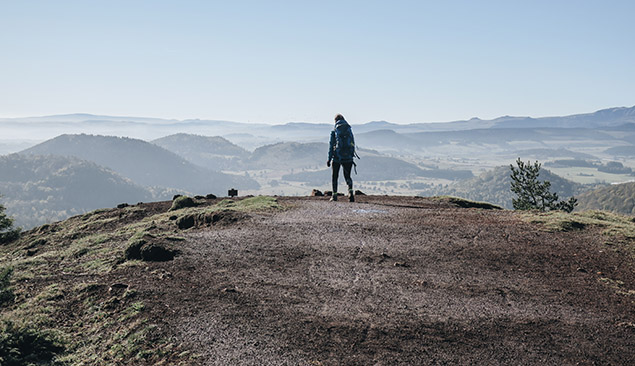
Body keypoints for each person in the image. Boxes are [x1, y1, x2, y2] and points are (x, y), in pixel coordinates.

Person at [327, 114, 356, 202]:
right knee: (347, 176)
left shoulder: (334, 131)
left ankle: (334, 195)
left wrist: (329, 159)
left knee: (335, 176)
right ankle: (350, 192)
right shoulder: (349, 130)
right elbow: (352, 143)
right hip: (348, 157)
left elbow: (331, 146)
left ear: (335, 121)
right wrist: (351, 155)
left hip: (337, 157)